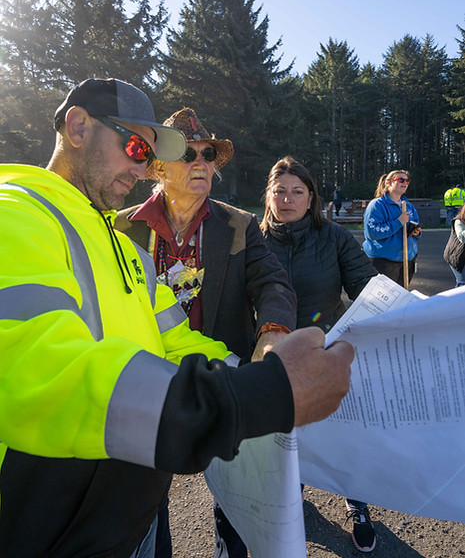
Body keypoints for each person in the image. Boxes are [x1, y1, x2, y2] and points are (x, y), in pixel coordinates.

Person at [0, 79, 355, 558]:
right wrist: (261, 395)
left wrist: (270, 373)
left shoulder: (124, 247)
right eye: (136, 148)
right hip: (57, 525)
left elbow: (176, 341)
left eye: (148, 154)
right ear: (78, 127)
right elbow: (43, 374)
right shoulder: (16, 215)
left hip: (133, 504)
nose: (140, 164)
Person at [116, 107, 297, 558]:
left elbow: (272, 282)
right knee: (143, 503)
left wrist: (271, 332)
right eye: (187, 153)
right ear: (157, 167)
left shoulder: (239, 224)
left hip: (221, 377)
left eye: (208, 153)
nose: (201, 162)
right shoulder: (121, 226)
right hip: (144, 383)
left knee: (235, 503)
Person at [260, 156, 378, 553]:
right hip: (275, 361)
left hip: (326, 351)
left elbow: (366, 285)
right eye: (280, 191)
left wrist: (411, 313)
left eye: (297, 192)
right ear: (269, 196)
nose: (288, 199)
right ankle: (292, 495)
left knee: (342, 434)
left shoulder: (334, 238)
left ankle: (356, 502)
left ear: (311, 198)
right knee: (286, 438)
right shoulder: (254, 240)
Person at [363, 170, 421, 288]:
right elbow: (372, 232)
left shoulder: (408, 205)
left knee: (402, 297)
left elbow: (415, 224)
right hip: (385, 259)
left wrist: (416, 232)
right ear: (389, 183)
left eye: (407, 180)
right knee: (383, 301)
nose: (405, 183)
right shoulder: (377, 205)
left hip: (407, 258)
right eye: (401, 180)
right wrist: (398, 222)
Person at [443, 202, 465, 287]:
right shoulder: (459, 221)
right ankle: (455, 300)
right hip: (457, 256)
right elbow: (462, 238)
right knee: (462, 283)